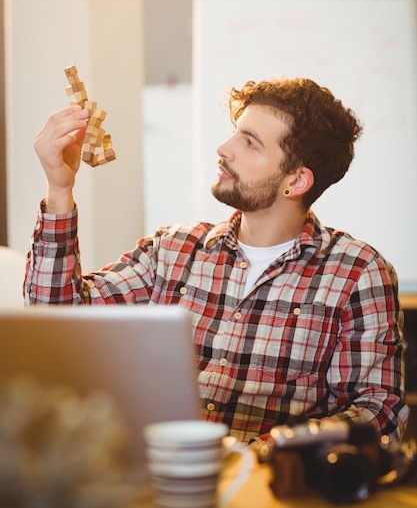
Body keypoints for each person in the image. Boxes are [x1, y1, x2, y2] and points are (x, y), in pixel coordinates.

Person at [25, 76, 409, 444]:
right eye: (234, 133)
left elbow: (376, 412)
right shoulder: (173, 249)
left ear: (296, 181)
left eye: (250, 142)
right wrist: (60, 188)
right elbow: (55, 319)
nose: (223, 149)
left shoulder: (358, 273)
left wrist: (269, 450)